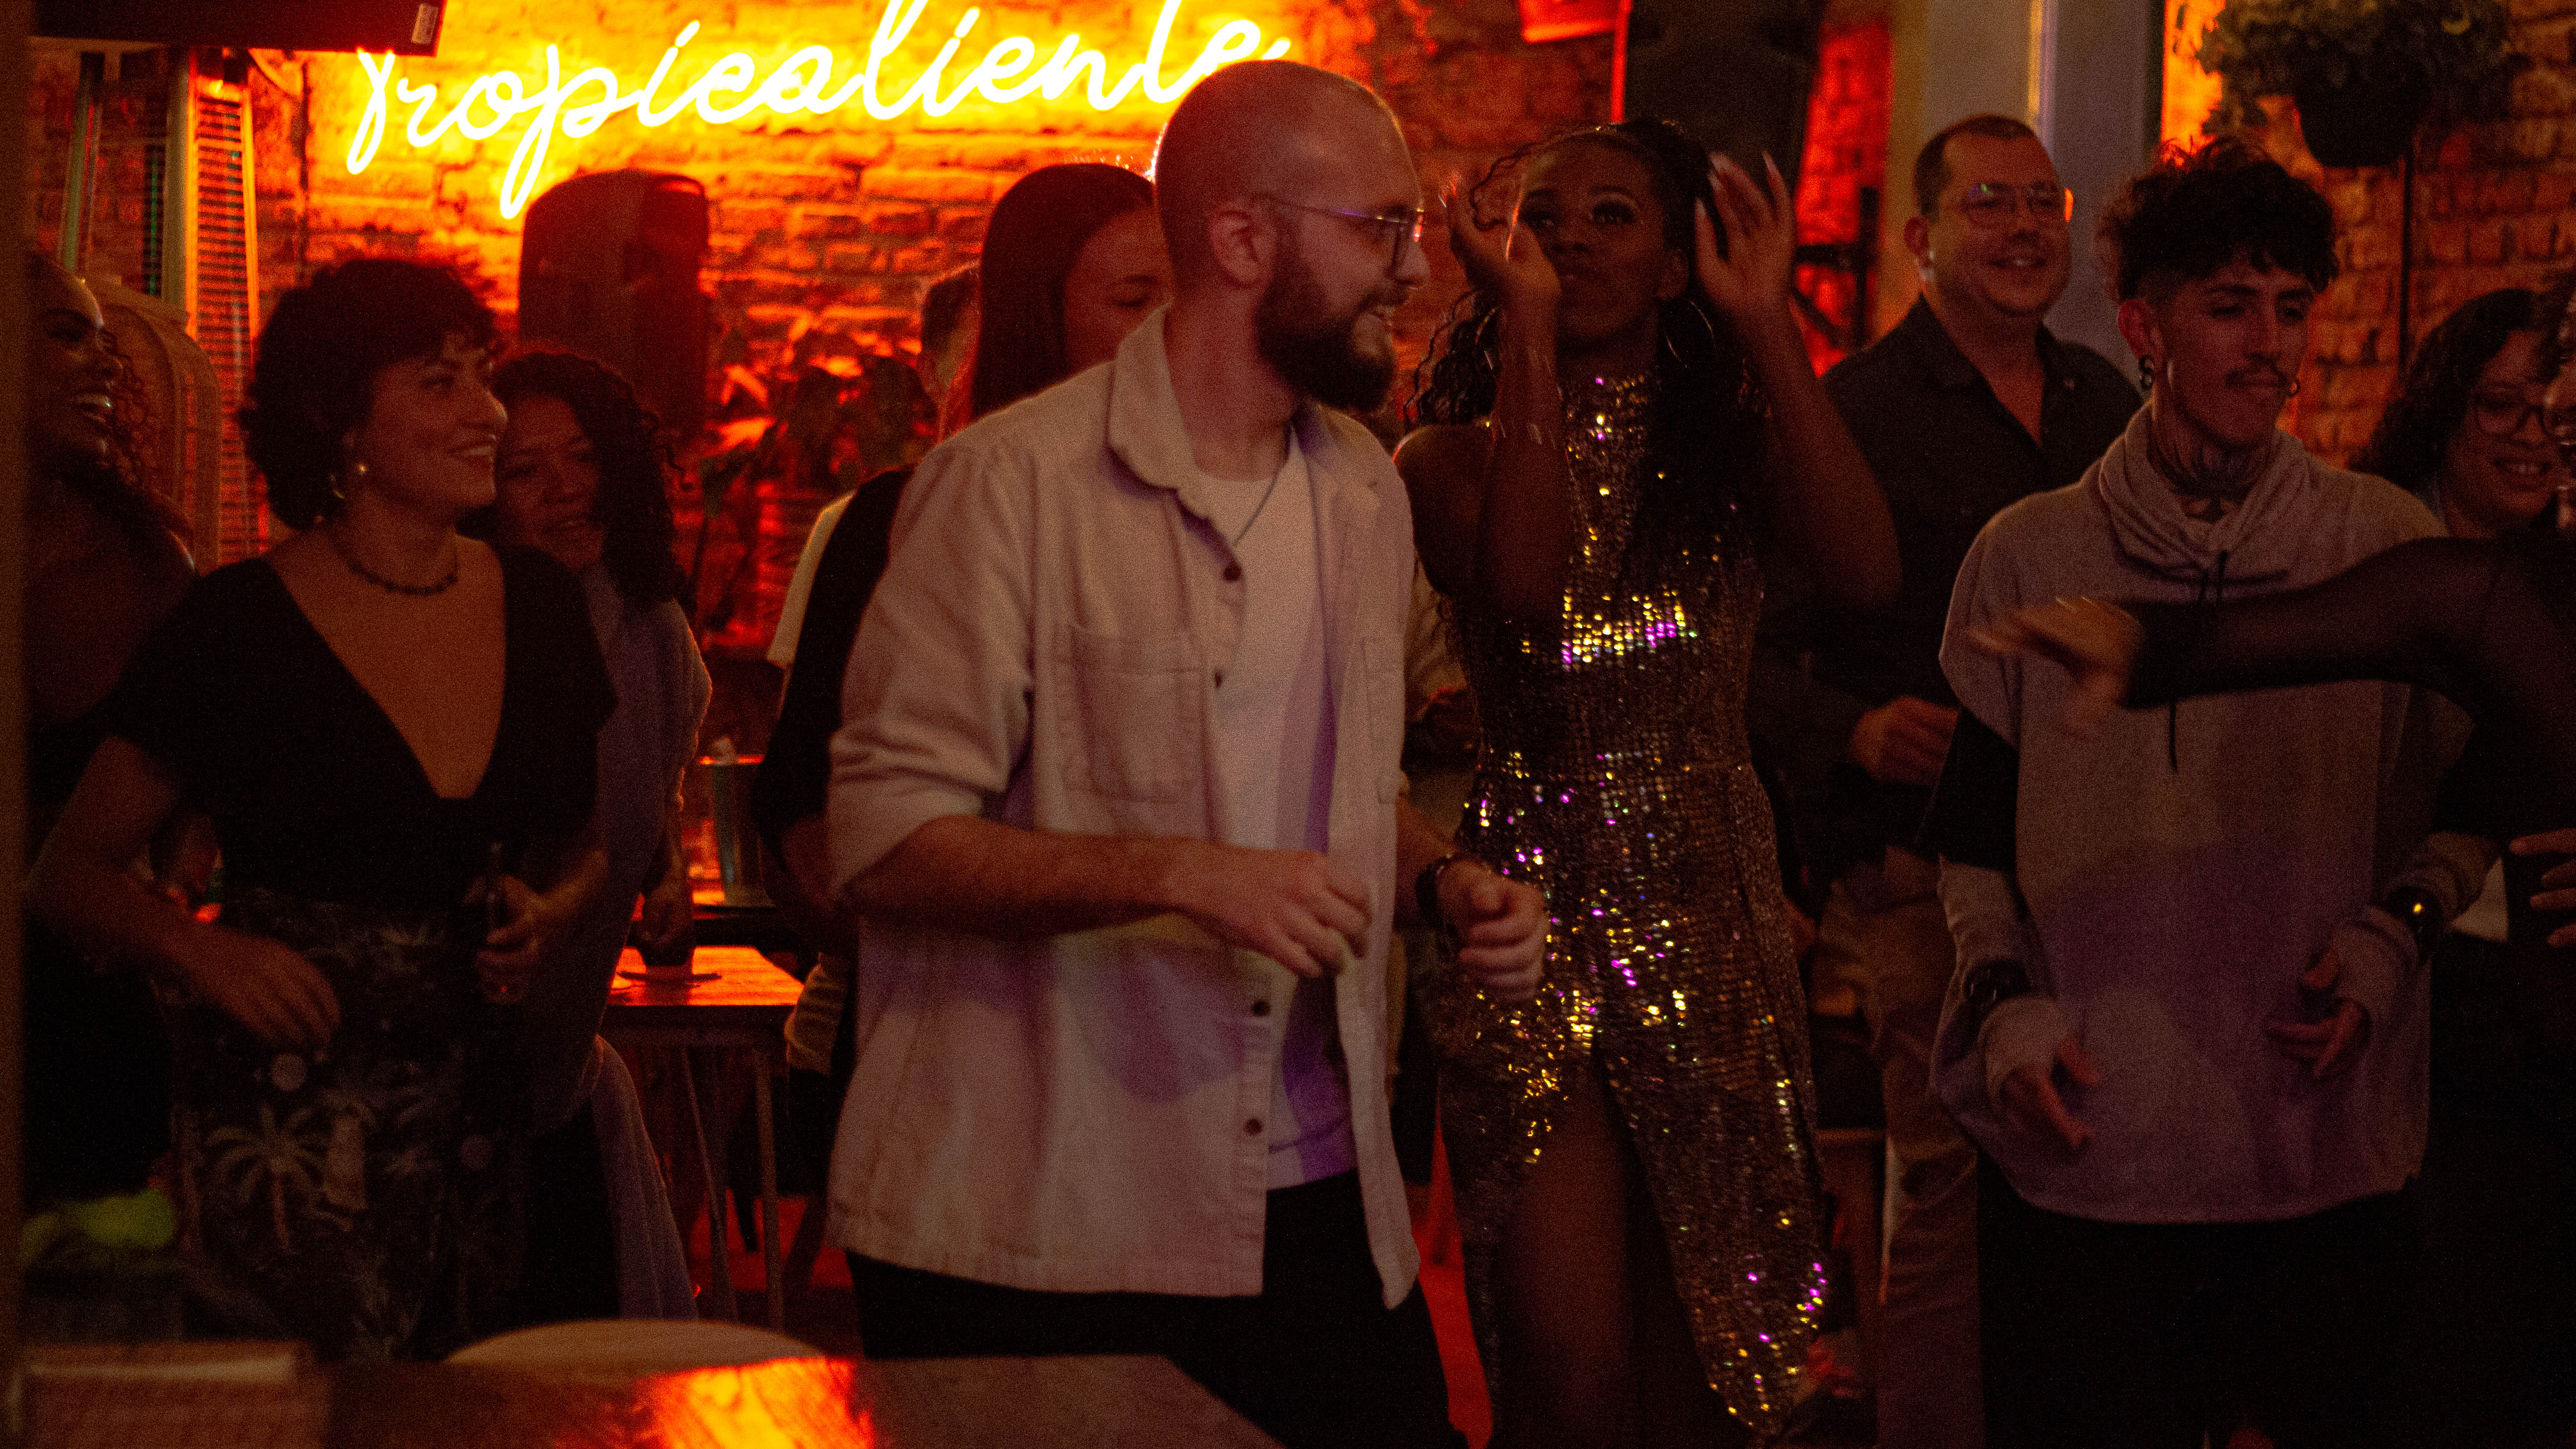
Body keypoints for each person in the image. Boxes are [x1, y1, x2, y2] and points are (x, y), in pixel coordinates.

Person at [820, 62, 1547, 1449]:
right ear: (1241, 238)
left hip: (1321, 1186)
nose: (1413, 273)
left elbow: (1349, 795)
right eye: (1380, 228)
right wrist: (1182, 873)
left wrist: (1445, 883)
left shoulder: (1358, 496)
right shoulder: (1011, 487)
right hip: (1047, 1210)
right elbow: (882, 835)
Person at [1921, 141, 2465, 1448]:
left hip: (2326, 1149)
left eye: (2292, 306)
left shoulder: (2384, 546)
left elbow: (2470, 812)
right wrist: (2005, 1008)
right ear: (2145, 327)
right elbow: (1970, 840)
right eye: (2232, 305)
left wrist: (2397, 935)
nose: (2270, 343)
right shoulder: (2030, 551)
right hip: (2098, 1147)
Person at [1398, 118, 1900, 1446]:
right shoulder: (1442, 457)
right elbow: (1531, 588)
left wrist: (1771, 325)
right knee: (1572, 1375)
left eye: (1610, 216)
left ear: (1677, 267)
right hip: (1528, 914)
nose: (1567, 237)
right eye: (1543, 215)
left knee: (1730, 1364)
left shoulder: (1727, 456)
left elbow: (1867, 576)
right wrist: (1526, 341)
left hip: (1711, 898)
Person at [30, 258, 615, 1362]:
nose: (485, 413)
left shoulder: (538, 605)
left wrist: (547, 909)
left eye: (482, 378)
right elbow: (65, 874)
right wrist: (205, 955)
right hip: (289, 1120)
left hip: (482, 1122)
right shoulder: (240, 625)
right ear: (337, 417)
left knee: (469, 1409)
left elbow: (584, 846)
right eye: (440, 384)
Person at [1752, 113, 2138, 1449]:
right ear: (1923, 238)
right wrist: (1850, 728)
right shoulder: (1854, 407)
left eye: (2046, 202)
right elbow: (1740, 646)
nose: (2028, 228)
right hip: (1917, 860)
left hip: (2089, 853)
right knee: (1959, 1170)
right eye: (1992, 204)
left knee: (2091, 1162)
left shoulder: (2105, 401)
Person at [751, 163, 1172, 1139]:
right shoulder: (911, 519)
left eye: (1183, 298)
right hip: (955, 1066)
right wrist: (921, 958)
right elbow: (802, 804)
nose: (1170, 330)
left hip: (1154, 1058)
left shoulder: (1214, 520)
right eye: (1134, 300)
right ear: (1041, 314)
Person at [478, 350, 709, 1321]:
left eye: (580, 457)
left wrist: (665, 866)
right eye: (526, 471)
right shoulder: (467, 627)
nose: (566, 489)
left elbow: (645, 783)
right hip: (466, 1090)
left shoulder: (648, 622)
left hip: (565, 1073)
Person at [20, 250, 196, 1209]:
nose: (103, 363)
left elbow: (197, 790)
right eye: (63, 333)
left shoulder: (145, 566)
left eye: (104, 341)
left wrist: (152, 890)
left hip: (84, 1010)